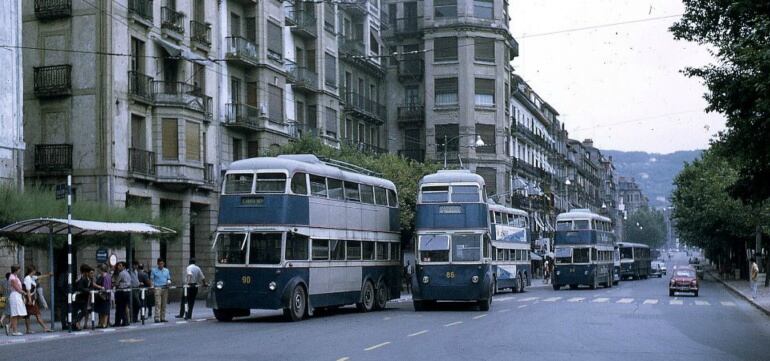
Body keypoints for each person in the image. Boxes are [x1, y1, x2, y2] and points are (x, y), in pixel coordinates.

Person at [22, 265, 51, 333]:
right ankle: (45, 327)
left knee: (27, 314)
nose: (35, 272)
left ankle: (28, 329)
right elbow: (28, 290)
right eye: (34, 270)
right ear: (33, 271)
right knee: (37, 313)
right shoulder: (28, 279)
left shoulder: (31, 277)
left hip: (30, 298)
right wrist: (29, 300)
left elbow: (39, 277)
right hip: (30, 298)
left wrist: (48, 275)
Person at [72, 264, 94, 331]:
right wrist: (88, 290)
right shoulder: (82, 279)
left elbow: (90, 286)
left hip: (84, 298)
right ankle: (75, 323)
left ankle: (75, 323)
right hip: (79, 298)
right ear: (85, 273)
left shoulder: (89, 279)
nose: (90, 274)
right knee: (80, 311)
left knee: (84, 311)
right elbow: (80, 288)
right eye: (89, 272)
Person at [7, 265, 28, 336]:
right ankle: (14, 331)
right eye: (19, 269)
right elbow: (17, 288)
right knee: (16, 314)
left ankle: (10, 325)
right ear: (16, 270)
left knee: (21, 313)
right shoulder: (12, 277)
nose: (20, 271)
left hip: (17, 295)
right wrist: (24, 293)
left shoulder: (15, 277)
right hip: (15, 295)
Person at [150, 258, 171, 323]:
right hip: (157, 288)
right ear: (158, 264)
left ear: (164, 264)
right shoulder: (154, 270)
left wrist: (169, 282)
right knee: (158, 303)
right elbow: (152, 279)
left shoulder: (166, 270)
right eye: (160, 264)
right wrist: (152, 286)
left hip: (165, 287)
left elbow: (168, 278)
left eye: (162, 264)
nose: (161, 265)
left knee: (164, 303)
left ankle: (163, 317)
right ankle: (157, 318)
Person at [113, 262, 131, 327]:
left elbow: (117, 283)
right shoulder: (127, 273)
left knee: (119, 308)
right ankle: (125, 321)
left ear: (123, 267)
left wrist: (115, 284)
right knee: (124, 308)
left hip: (121, 292)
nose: (118, 267)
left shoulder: (121, 273)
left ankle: (118, 322)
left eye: (120, 266)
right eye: (118, 266)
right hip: (127, 292)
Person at [94, 264, 112, 328]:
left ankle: (105, 323)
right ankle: (101, 323)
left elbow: (105, 288)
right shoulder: (101, 276)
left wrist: (96, 285)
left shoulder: (106, 277)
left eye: (98, 269)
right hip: (100, 296)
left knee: (105, 310)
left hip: (105, 296)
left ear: (101, 269)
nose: (98, 271)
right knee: (101, 310)